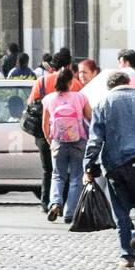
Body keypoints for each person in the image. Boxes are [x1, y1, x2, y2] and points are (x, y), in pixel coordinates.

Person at [84, 71, 135, 267]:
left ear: (110, 87)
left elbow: (95, 138)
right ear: (128, 82)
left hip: (115, 164)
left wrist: (88, 164)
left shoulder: (103, 103)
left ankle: (127, 256)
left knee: (121, 211)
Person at [28, 50, 81, 213]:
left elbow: (30, 103)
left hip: (45, 131)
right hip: (69, 132)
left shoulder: (42, 81)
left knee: (48, 169)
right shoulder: (75, 83)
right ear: (69, 65)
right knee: (67, 170)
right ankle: (65, 202)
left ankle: (46, 203)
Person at [42, 67, 91, 223]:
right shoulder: (81, 97)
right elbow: (90, 117)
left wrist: (49, 139)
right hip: (79, 141)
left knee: (58, 175)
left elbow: (45, 123)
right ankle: (70, 213)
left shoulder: (49, 99)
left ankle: (55, 203)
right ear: (71, 82)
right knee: (76, 177)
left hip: (58, 141)